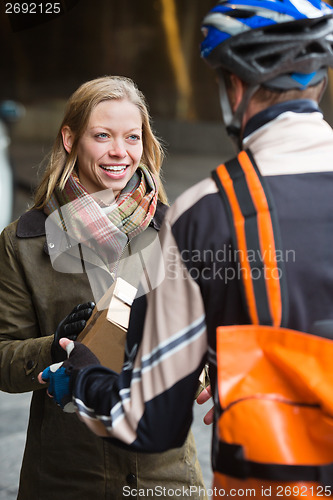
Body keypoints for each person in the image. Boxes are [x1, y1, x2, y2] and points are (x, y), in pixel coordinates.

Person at [39, 0, 333, 497]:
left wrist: (83, 375)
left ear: (232, 87)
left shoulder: (206, 214)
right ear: (319, 79)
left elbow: (148, 420)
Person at [0, 76, 207, 500]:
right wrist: (55, 346)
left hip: (166, 477)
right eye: (102, 136)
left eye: (132, 137)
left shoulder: (179, 231)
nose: (120, 152)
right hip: (64, 478)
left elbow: (209, 331)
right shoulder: (21, 242)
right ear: (70, 139)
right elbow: (3, 357)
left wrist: (210, 366)